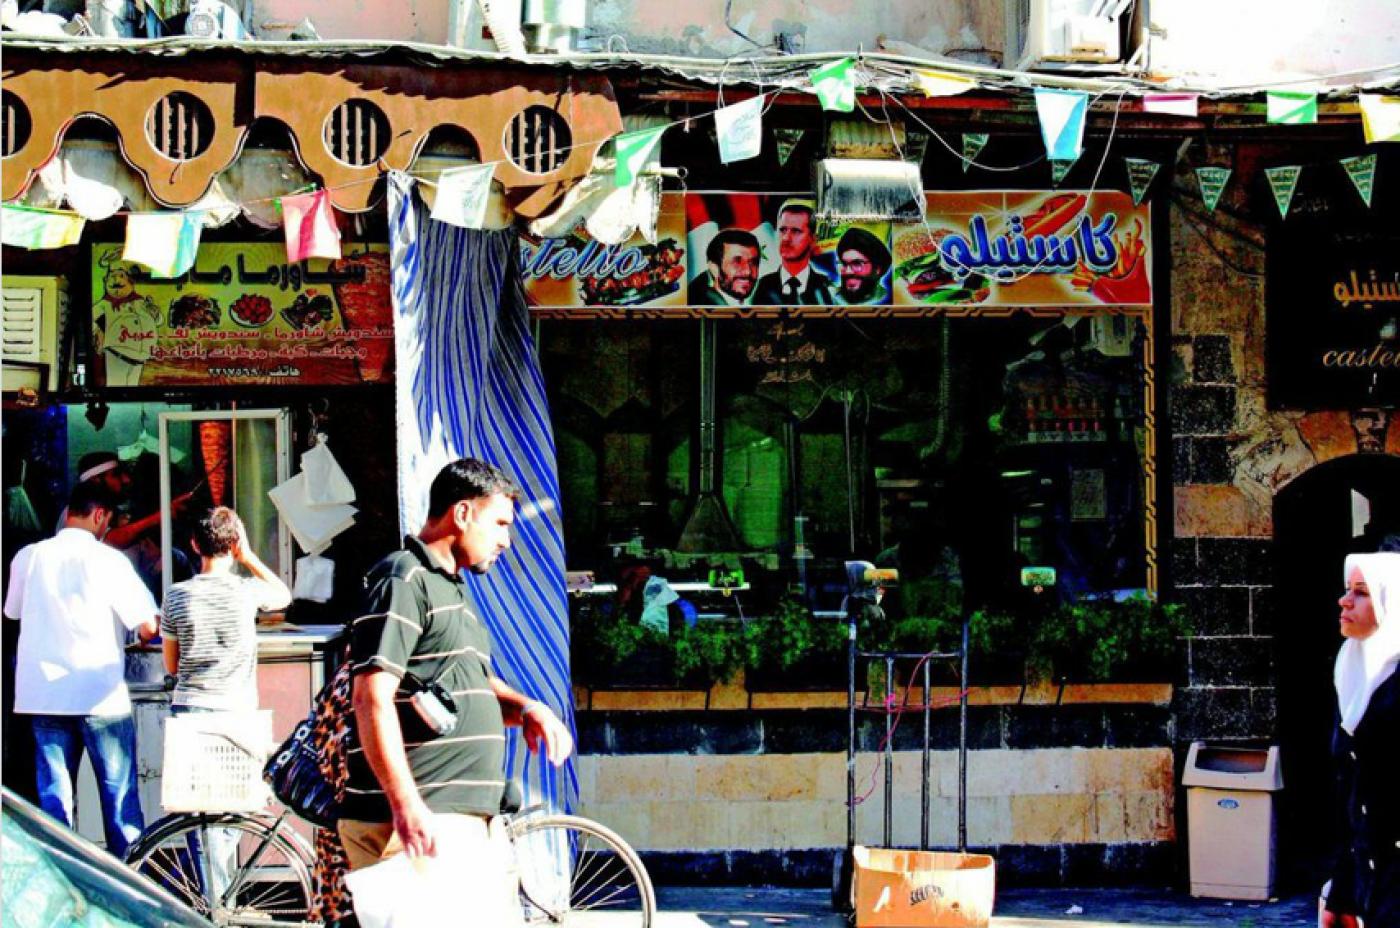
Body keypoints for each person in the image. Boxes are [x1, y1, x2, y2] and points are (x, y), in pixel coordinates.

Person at [340, 458, 573, 874]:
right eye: (500, 524)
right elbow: (370, 697)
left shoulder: (451, 589)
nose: (506, 541)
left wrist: (526, 709)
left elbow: (473, 686)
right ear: (462, 513)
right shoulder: (403, 579)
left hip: (454, 820)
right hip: (415, 825)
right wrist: (406, 804)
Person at [3, 479, 160, 858]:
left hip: (43, 696)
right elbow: (149, 626)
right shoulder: (109, 560)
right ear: (100, 515)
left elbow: (13, 611)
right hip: (99, 695)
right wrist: (138, 635)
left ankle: (63, 885)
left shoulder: (29, 556)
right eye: (108, 522)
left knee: (55, 802)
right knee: (119, 801)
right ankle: (128, 885)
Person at [160, 506, 291, 896]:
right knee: (237, 804)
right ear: (232, 544)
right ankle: (222, 893)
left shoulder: (176, 596)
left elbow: (172, 662)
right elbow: (283, 594)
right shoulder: (246, 591)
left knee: (200, 810)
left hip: (192, 710)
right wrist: (248, 556)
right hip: (237, 711)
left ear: (193, 545)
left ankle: (214, 896)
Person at [1320, 552, 1400, 928]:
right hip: (1370, 872)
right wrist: (1342, 891)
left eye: (1362, 592)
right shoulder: (1350, 673)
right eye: (1347, 590)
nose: (1345, 601)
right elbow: (1349, 794)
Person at [754, 200, 834, 306]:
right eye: (782, 230)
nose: (786, 238)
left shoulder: (826, 288)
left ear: (813, 239)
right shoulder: (762, 287)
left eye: (796, 231)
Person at [687, 229, 761, 306]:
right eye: (737, 262)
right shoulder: (699, 308)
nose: (748, 271)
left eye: (753, 263)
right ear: (714, 268)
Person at [831, 226, 892, 305]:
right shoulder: (830, 297)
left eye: (857, 264)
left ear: (877, 269)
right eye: (843, 264)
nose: (848, 271)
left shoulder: (889, 299)